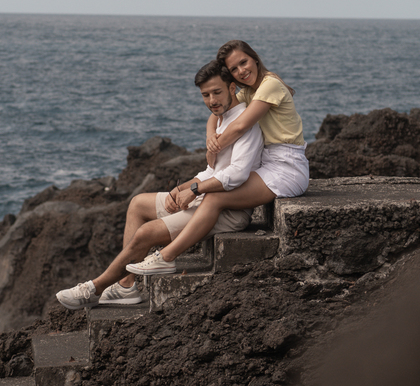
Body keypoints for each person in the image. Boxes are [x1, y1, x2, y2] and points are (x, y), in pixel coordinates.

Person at [55, 59, 264, 309]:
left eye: (217, 92)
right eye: (205, 95)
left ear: (232, 88)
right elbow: (212, 170)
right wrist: (184, 187)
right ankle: (126, 286)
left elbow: (237, 174)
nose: (211, 100)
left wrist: (194, 190)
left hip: (228, 210)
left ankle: (93, 288)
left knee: (146, 233)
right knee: (137, 204)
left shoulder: (245, 122)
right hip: (205, 196)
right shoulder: (221, 119)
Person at [125, 39, 309, 277]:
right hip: (269, 164)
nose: (241, 71)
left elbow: (241, 125)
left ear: (254, 57)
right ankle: (137, 273)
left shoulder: (269, 85)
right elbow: (216, 113)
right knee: (216, 189)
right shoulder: (249, 91)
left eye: (243, 62)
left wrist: (215, 148)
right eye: (234, 69)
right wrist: (211, 137)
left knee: (213, 197)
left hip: (287, 167)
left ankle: (166, 257)